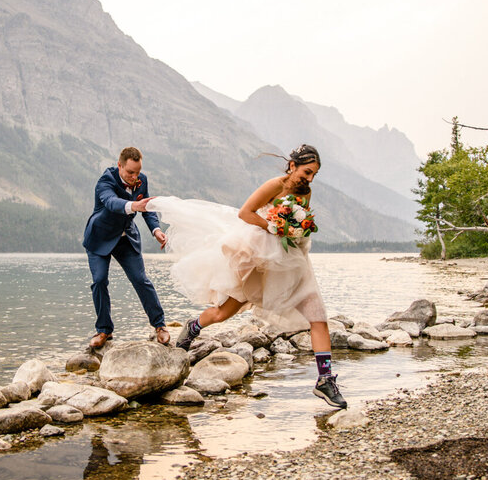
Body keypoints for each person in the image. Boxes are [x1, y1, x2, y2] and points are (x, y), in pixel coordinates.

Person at [147, 144, 348, 409]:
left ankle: (324, 380)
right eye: (307, 172)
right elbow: (245, 213)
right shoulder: (275, 185)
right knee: (223, 312)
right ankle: (193, 327)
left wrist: (296, 230)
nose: (309, 179)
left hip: (294, 263)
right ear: (292, 166)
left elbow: (299, 225)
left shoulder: (305, 193)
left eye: (314, 175)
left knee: (318, 317)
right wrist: (274, 226)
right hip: (257, 259)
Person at [82, 146, 170, 349]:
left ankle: (159, 325)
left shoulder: (142, 180)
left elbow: (147, 208)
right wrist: (133, 206)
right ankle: (104, 329)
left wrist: (156, 230)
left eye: (137, 172)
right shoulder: (105, 181)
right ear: (119, 165)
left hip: (126, 238)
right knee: (99, 280)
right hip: (99, 238)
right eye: (130, 172)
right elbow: (112, 203)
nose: (134, 177)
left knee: (141, 279)